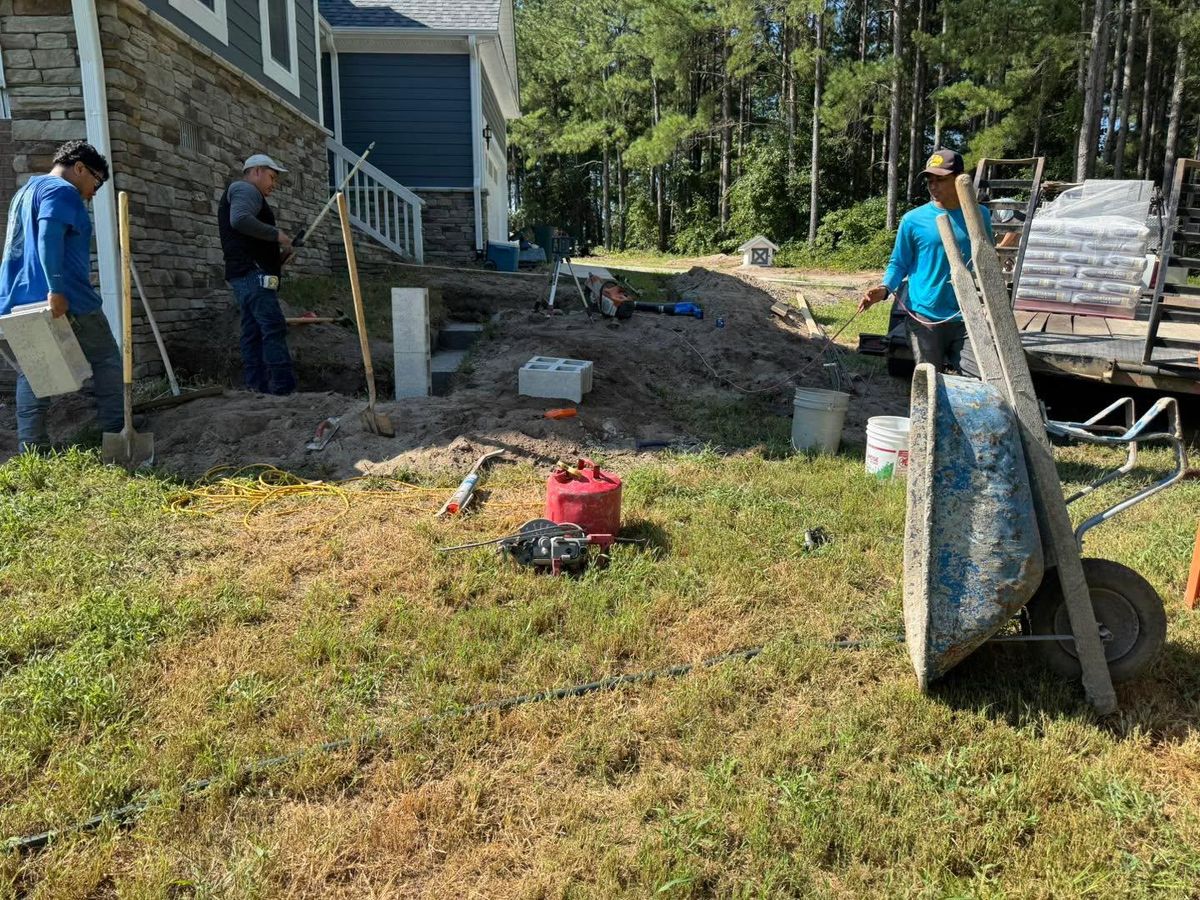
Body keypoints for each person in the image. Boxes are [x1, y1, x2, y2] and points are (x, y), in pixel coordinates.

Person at [0, 140, 122, 453]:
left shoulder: (25, 193)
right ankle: (116, 430)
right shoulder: (62, 191)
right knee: (106, 358)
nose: (93, 193)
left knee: (36, 370)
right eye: (96, 182)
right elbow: (49, 236)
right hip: (67, 298)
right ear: (79, 168)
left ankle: (33, 448)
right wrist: (56, 288)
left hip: (19, 298)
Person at [859, 148, 993, 373]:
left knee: (977, 380)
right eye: (930, 180)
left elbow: (986, 259)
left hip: (967, 317)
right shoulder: (913, 220)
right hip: (924, 317)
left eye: (940, 179)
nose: (933, 185)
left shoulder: (980, 215)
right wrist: (884, 289)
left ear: (960, 180)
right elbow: (898, 262)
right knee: (929, 383)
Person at [218, 153, 296, 394]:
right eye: (271, 177)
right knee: (273, 328)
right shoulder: (245, 189)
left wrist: (277, 257)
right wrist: (277, 235)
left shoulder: (244, 193)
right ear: (256, 171)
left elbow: (245, 234)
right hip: (253, 275)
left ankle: (256, 388)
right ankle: (283, 391)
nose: (273, 184)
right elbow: (240, 220)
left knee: (252, 332)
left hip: (246, 273)